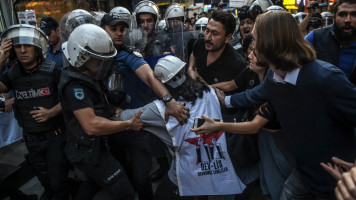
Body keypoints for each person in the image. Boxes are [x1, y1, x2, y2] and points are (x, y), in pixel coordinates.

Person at [221, 11, 356, 199]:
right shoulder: (273, 77)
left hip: (337, 183)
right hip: (302, 173)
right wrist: (223, 100)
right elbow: (252, 95)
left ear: (270, 41)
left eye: (256, 38)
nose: (253, 46)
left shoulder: (326, 78)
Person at [119, 55, 245, 199]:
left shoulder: (161, 109)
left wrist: (117, 111)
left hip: (186, 173)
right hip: (214, 167)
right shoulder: (209, 91)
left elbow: (127, 117)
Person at [101, 11, 188, 200]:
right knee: (120, 178)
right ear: (102, 31)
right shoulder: (95, 56)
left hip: (135, 125)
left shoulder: (128, 56)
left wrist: (169, 100)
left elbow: (149, 76)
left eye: (122, 29)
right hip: (107, 127)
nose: (119, 33)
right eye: (113, 29)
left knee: (141, 178)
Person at [59, 23, 144, 200]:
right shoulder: (75, 86)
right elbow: (91, 125)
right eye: (98, 59)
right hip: (87, 151)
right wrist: (128, 124)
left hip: (93, 147)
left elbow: (98, 102)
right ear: (81, 57)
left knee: (93, 183)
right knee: (124, 191)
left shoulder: (87, 76)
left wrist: (113, 108)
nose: (103, 64)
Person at [0, 24, 69, 200]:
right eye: (17, 47)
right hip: (32, 141)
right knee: (44, 179)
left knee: (58, 182)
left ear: (37, 47)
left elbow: (71, 99)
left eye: (27, 45)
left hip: (55, 138)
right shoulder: (13, 74)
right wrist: (1, 58)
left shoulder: (52, 69)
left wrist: (52, 112)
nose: (22, 51)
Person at [305, 0, 356, 85]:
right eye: (342, 14)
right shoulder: (316, 37)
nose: (348, 20)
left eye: (354, 15)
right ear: (334, 17)